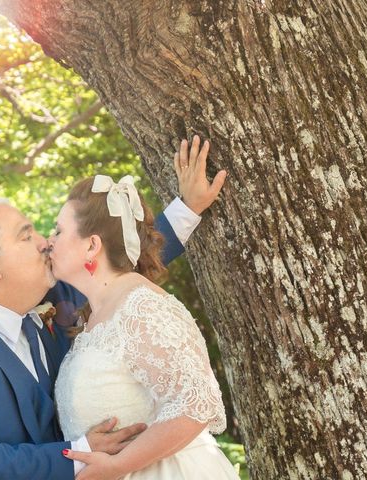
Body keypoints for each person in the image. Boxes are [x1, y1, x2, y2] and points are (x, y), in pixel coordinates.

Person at [0, 136, 226, 479]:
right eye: (26, 236)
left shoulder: (56, 300)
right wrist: (80, 455)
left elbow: (113, 263)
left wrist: (188, 207)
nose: (44, 243)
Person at [49, 137, 238, 479]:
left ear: (92, 246)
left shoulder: (142, 307)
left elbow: (197, 401)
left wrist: (119, 465)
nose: (48, 242)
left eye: (58, 231)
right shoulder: (93, 314)